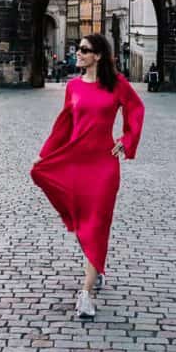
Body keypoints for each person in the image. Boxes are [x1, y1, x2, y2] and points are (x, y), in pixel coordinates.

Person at [31, 32, 145, 321]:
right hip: (77, 162)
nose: (78, 53)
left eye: (83, 50)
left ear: (97, 56)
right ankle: (97, 266)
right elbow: (64, 124)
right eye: (78, 49)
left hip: (104, 166)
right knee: (84, 220)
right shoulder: (72, 87)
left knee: (97, 224)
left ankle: (85, 293)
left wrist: (127, 140)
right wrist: (47, 156)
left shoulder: (116, 84)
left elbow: (135, 108)